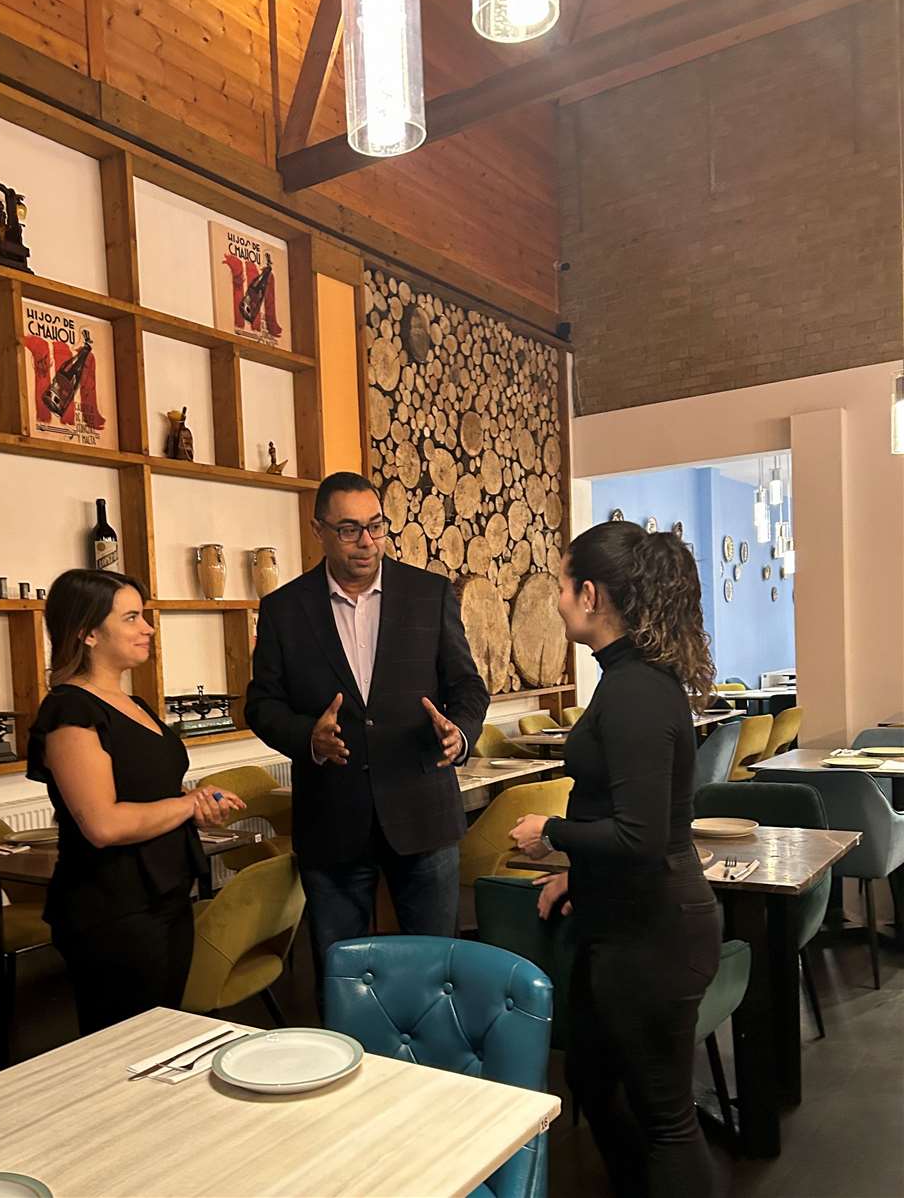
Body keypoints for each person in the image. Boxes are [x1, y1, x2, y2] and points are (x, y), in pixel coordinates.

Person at [510, 521, 721, 1198]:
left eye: (564, 584)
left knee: (665, 1118)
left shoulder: (634, 692)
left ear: (592, 594)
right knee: (594, 1081)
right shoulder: (629, 680)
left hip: (654, 933)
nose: (558, 599)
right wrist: (579, 874)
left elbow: (641, 835)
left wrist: (554, 831)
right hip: (626, 920)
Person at [244, 472, 489, 990]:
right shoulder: (285, 610)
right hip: (332, 817)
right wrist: (308, 736)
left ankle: (433, 1070)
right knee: (343, 976)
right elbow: (262, 705)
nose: (367, 542)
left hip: (423, 811)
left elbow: (468, 686)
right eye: (349, 530)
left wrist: (460, 733)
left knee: (437, 970)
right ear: (319, 531)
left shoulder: (429, 594)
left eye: (376, 526)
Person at [27, 568, 246, 1034]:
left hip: (163, 894)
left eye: (143, 616)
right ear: (87, 632)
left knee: (165, 1032)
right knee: (124, 1046)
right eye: (131, 618)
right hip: (113, 908)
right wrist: (188, 806)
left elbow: (151, 795)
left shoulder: (136, 704)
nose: (147, 628)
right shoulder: (70, 710)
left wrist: (195, 801)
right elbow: (103, 824)